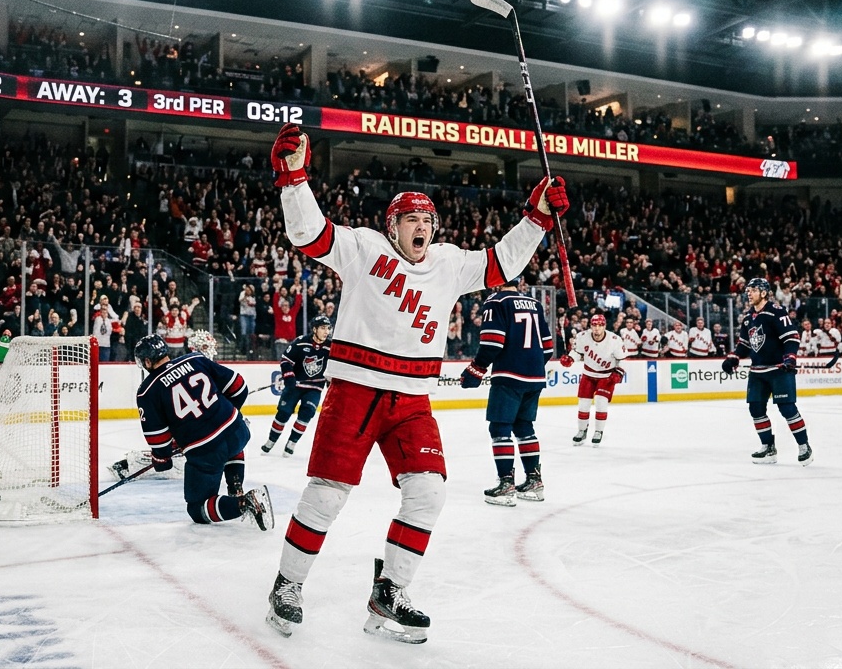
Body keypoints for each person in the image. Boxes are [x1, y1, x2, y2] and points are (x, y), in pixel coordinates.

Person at [262, 123, 568, 644]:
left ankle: (391, 591)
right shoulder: (363, 249)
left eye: (428, 219)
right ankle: (287, 586)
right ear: (393, 225)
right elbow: (309, 236)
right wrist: (293, 180)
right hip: (355, 393)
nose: (422, 226)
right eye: (412, 219)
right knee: (326, 496)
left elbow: (501, 262)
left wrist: (537, 218)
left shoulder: (449, 263)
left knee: (428, 493)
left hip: (411, 400)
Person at [126, 334, 274, 528]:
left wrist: (162, 461)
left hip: (206, 452)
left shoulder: (147, 391)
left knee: (197, 508)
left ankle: (244, 502)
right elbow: (239, 387)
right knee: (229, 437)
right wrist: (228, 413)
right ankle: (235, 487)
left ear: (147, 361)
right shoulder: (194, 359)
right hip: (238, 431)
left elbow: (159, 440)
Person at [460, 277, 552, 506]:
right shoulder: (534, 304)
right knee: (524, 427)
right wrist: (531, 365)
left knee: (500, 428)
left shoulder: (496, 301)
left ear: (495, 282)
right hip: (535, 377)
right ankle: (534, 481)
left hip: (509, 376)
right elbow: (548, 347)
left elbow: (493, 342)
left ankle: (506, 485)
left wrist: (476, 368)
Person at [721, 277, 812, 465]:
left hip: (779, 370)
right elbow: (745, 344)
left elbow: (792, 338)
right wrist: (734, 357)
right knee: (755, 408)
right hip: (757, 371)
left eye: (753, 290)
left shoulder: (776, 312)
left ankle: (804, 446)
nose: (749, 293)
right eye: (748, 290)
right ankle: (768, 448)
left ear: (763, 292)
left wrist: (790, 357)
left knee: (787, 409)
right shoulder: (748, 318)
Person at [263, 315, 332, 456]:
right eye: (323, 328)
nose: (326, 332)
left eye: (328, 328)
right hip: (295, 386)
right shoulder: (300, 342)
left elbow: (335, 366)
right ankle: (271, 440)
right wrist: (289, 376)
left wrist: (330, 380)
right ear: (314, 329)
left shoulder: (330, 347)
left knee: (307, 413)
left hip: (314, 388)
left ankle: (292, 442)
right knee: (283, 413)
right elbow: (285, 360)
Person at [559, 313, 627, 446]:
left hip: (606, 376)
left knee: (601, 402)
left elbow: (622, 359)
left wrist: (619, 372)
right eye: (594, 325)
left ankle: (598, 431)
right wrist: (571, 358)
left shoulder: (614, 340)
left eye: (600, 325)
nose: (597, 328)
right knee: (583, 404)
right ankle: (582, 430)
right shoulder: (582, 337)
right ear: (590, 326)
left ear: (604, 326)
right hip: (588, 374)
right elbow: (578, 352)